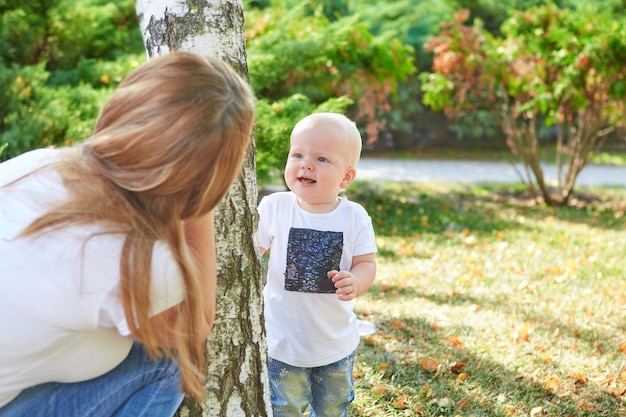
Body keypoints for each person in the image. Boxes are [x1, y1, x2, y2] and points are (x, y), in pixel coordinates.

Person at [0, 51, 255, 417]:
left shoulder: (37, 164)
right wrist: (198, 202)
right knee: (167, 365)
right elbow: (196, 326)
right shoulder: (139, 258)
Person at [257, 112, 377, 416]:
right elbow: (251, 250)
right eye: (297, 154)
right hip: (282, 340)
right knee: (285, 408)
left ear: (346, 177)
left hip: (334, 343)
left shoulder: (354, 217)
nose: (306, 164)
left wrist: (357, 280)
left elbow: (366, 263)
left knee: (333, 407)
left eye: (322, 159)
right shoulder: (275, 207)